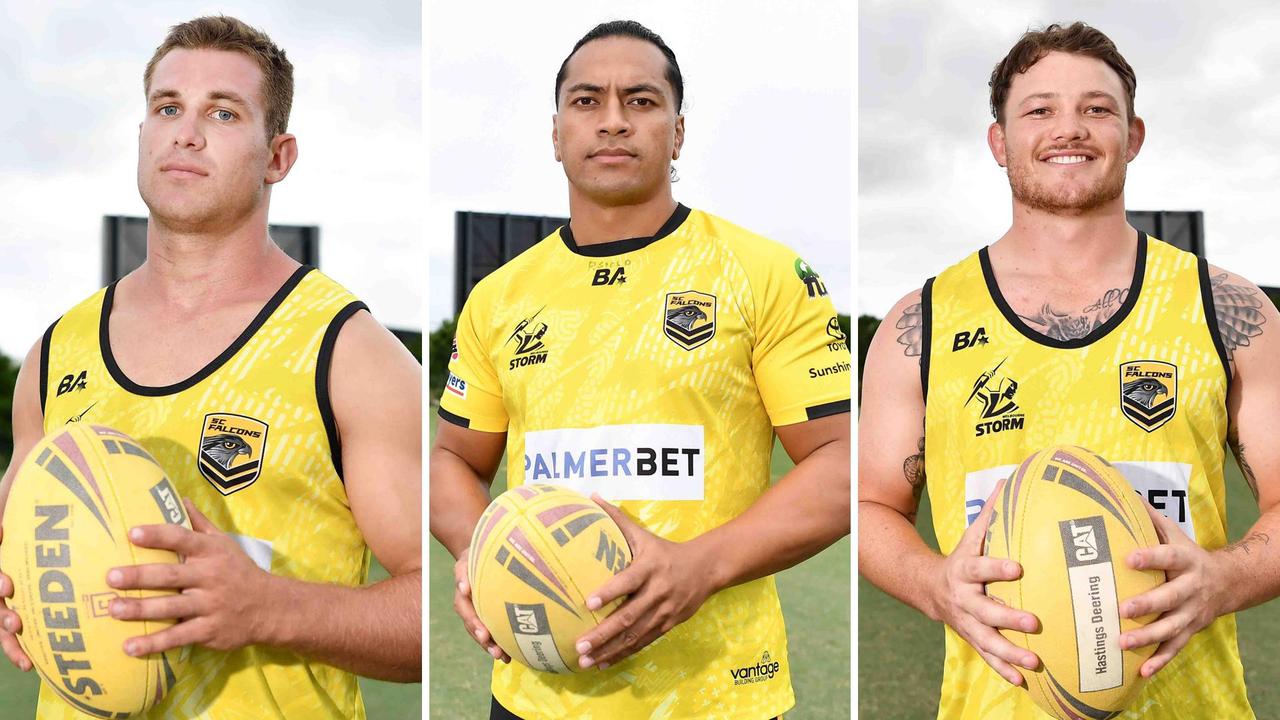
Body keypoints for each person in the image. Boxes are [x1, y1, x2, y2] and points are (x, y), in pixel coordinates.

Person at [0, 16, 422, 719]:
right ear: (141, 136)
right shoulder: (54, 354)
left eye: (222, 113)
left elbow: (441, 610)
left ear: (277, 156)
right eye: (167, 108)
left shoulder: (348, 353)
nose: (185, 133)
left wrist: (271, 608)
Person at [429, 19, 851, 720]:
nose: (614, 121)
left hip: (719, 694)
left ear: (678, 132)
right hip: (539, 691)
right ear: (556, 131)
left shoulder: (765, 272)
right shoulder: (499, 298)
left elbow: (839, 462)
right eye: (588, 101)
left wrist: (699, 569)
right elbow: (454, 459)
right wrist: (480, 550)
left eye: (643, 101)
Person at [860, 21, 1280, 718]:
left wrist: (1225, 579)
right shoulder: (922, 323)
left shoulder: (1227, 309)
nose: (1070, 129)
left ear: (1132, 135)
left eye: (1096, 108)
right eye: (1040, 109)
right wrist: (934, 583)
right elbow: (874, 505)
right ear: (999, 142)